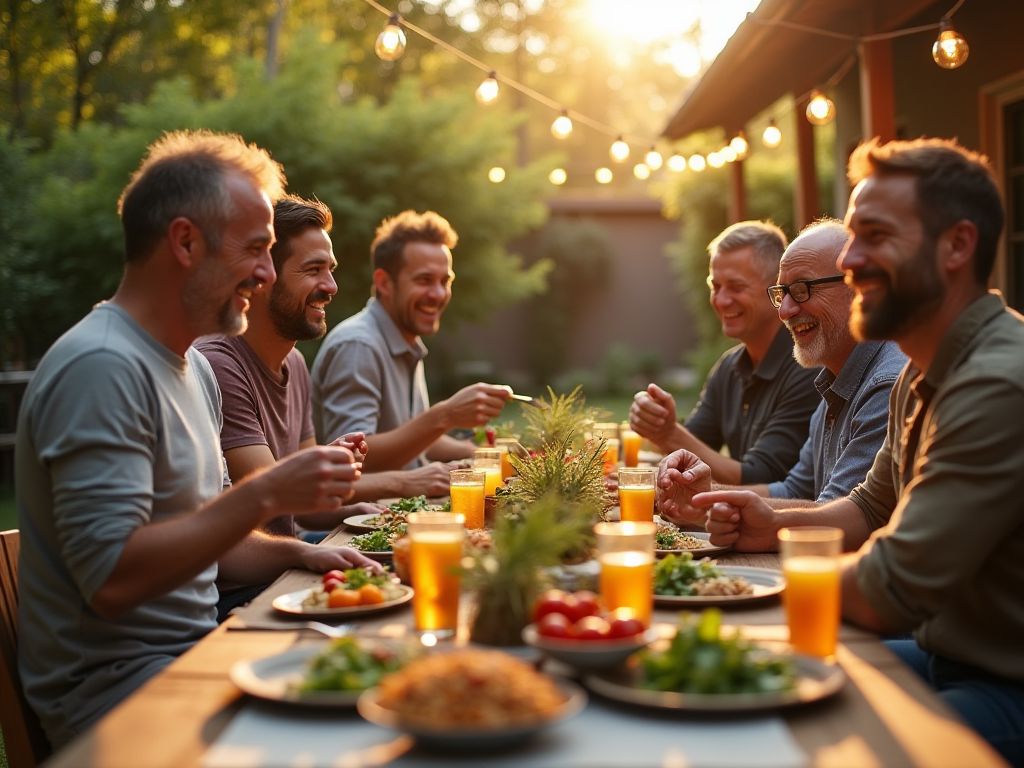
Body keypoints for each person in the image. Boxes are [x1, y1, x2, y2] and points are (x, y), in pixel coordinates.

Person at [14, 131, 374, 749]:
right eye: (256, 250)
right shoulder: (101, 368)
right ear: (185, 241)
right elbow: (114, 578)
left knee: (388, 672)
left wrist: (302, 554)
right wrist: (265, 497)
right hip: (119, 698)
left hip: (198, 647)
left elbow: (211, 545)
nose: (265, 274)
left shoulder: (192, 367)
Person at [692, 138, 1024, 763]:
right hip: (943, 653)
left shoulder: (996, 382)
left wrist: (744, 589)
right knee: (754, 672)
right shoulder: (919, 371)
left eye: (873, 235)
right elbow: (867, 509)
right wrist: (769, 526)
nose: (850, 260)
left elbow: (886, 590)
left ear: (956, 246)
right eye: (851, 238)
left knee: (789, 735)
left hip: (1006, 686)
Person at [197, 197, 456, 539]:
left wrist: (355, 510)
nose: (332, 287)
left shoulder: (295, 363)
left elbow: (304, 507)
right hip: (254, 583)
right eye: (313, 270)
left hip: (284, 559)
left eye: (330, 270)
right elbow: (275, 497)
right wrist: (406, 480)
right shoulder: (219, 364)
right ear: (261, 276)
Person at [656, 220, 906, 526]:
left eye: (802, 290)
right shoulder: (832, 381)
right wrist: (704, 495)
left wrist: (711, 500)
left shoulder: (886, 385)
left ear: (859, 288)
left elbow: (842, 514)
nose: (785, 310)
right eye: (782, 292)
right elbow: (795, 489)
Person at [311, 209, 511, 471]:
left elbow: (415, 438)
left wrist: (483, 454)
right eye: (424, 280)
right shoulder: (359, 346)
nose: (438, 294)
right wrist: (446, 415)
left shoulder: (405, 340)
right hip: (364, 513)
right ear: (384, 282)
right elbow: (352, 458)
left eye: (444, 281)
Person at [629, 221, 820, 486]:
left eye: (736, 287)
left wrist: (669, 433)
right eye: (715, 286)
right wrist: (660, 425)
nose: (721, 300)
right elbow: (689, 454)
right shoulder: (729, 366)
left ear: (777, 289)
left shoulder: (807, 365)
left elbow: (760, 478)